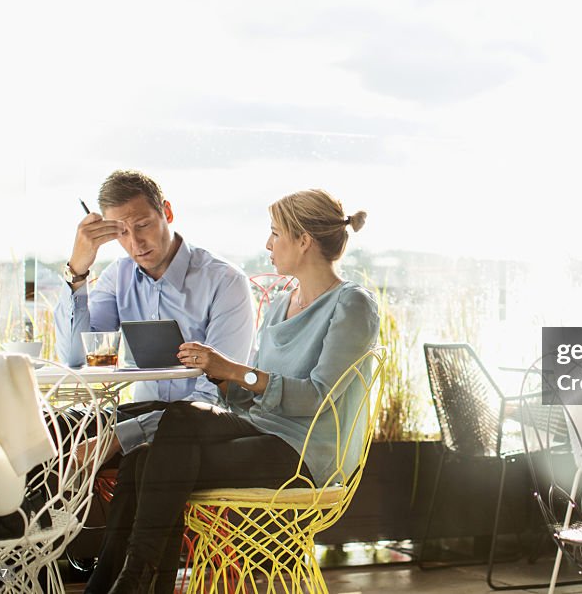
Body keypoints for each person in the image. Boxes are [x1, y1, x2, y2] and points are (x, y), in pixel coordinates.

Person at [88, 188, 379, 594]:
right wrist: (220, 378)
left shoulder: (352, 305)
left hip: (305, 454)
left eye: (275, 234)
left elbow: (318, 399)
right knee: (147, 454)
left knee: (156, 460)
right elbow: (253, 395)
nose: (268, 243)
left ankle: (129, 580)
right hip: (260, 433)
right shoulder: (281, 303)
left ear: (303, 241)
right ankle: (121, 580)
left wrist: (237, 372)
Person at [54, 169, 255, 460]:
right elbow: (76, 359)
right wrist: (77, 271)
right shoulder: (117, 278)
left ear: (167, 212)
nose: (135, 243)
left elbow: (214, 398)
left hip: (207, 424)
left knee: (142, 456)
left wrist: (120, 437)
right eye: (121, 232)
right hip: (144, 413)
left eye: (143, 225)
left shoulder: (225, 282)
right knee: (54, 429)